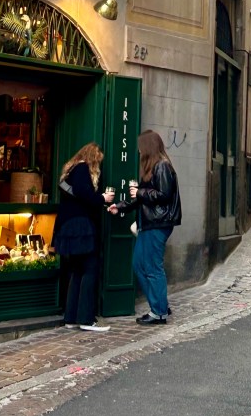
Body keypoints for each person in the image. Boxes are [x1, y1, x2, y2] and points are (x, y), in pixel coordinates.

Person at [109, 130, 181, 326]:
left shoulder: (162, 167)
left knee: (152, 267)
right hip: (149, 224)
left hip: (158, 224)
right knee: (139, 265)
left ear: (148, 147)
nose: (139, 151)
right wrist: (120, 206)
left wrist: (140, 192)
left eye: (141, 147)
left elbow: (163, 195)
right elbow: (142, 199)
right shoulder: (153, 168)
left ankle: (158, 312)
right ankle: (160, 305)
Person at [52, 143, 115, 332]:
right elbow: (83, 193)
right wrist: (102, 199)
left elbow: (76, 195)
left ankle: (71, 317)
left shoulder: (71, 170)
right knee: (90, 268)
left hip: (69, 226)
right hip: (80, 227)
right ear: (93, 158)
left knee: (78, 270)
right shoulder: (82, 169)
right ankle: (86, 319)